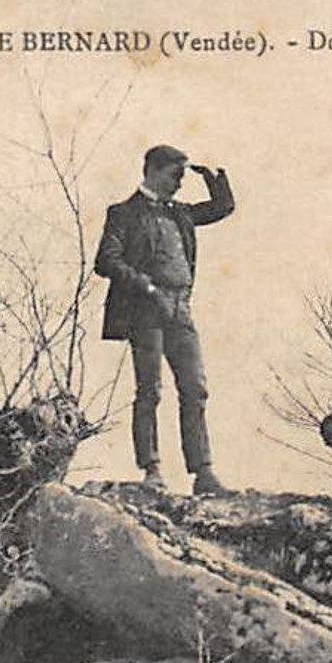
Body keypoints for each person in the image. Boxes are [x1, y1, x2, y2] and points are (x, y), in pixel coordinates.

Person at [94, 144, 235, 494]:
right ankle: (152, 469)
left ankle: (203, 472)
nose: (180, 184)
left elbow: (222, 208)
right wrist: (144, 285)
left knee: (195, 387)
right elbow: (106, 260)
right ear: (154, 171)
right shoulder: (124, 213)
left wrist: (214, 179)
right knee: (150, 391)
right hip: (145, 310)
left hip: (180, 308)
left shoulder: (180, 214)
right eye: (175, 175)